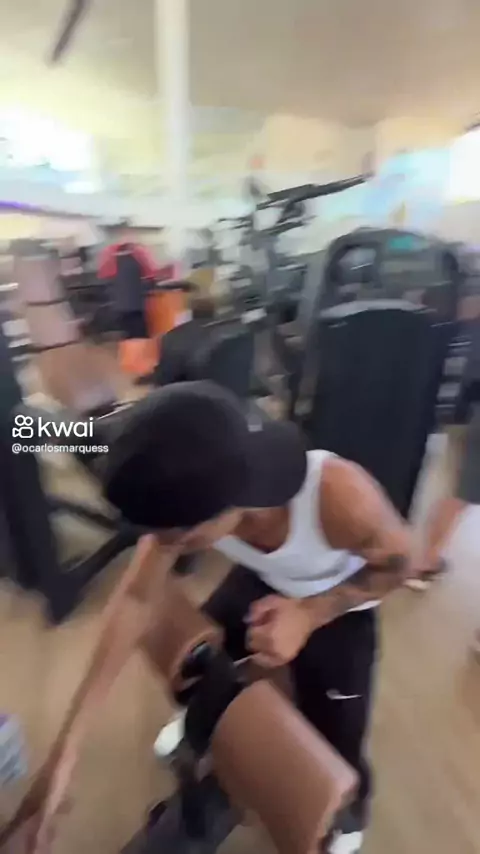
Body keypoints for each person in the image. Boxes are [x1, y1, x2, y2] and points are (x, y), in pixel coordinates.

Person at [9, 382, 414, 854]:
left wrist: (310, 613)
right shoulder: (194, 488)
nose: (162, 546)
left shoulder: (339, 496)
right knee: (205, 659)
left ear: (229, 507)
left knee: (337, 730)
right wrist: (63, 757)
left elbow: (402, 564)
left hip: (342, 603)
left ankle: (350, 811)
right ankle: (208, 727)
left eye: (176, 538)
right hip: (266, 577)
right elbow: (136, 600)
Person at [97, 220, 158, 340]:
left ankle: (135, 347)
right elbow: (150, 275)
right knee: (136, 330)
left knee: (132, 330)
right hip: (132, 302)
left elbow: (104, 277)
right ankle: (138, 347)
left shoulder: (135, 252)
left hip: (127, 302)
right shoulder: (135, 252)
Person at [153, 294, 216, 387]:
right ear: (214, 312)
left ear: (191, 313)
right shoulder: (227, 330)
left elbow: (165, 377)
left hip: (187, 390)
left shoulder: (172, 336)